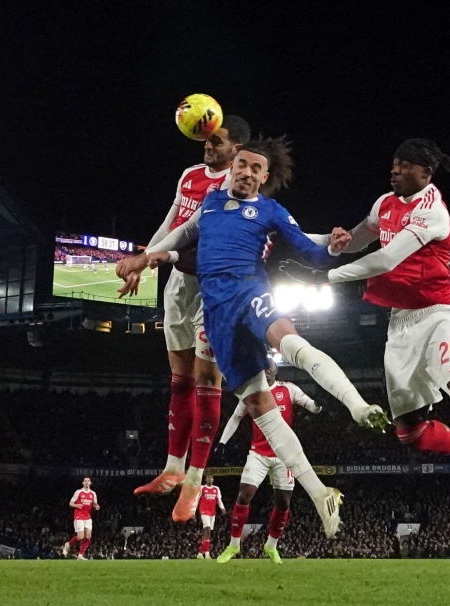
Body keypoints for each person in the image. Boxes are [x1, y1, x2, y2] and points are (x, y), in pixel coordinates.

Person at [282, 138, 450, 544]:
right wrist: (310, 244)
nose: (394, 171)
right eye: (393, 165)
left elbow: (384, 260)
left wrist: (323, 277)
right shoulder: (385, 204)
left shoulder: (432, 210)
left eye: (403, 166)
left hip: (439, 315)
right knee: (409, 434)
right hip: (401, 324)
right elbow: (360, 240)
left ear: (425, 173)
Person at [136, 136, 387, 537]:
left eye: (256, 169)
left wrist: (336, 249)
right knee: (263, 413)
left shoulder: (269, 210)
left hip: (250, 294)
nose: (248, 173)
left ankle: (358, 406)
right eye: (243, 165)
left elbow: (310, 250)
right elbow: (180, 241)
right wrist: (149, 258)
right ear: (232, 167)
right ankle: (320, 492)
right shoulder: (211, 204)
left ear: (265, 177)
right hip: (217, 320)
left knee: (292, 344)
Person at [116, 117, 252, 520]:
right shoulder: (191, 175)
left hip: (216, 290)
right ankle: (173, 469)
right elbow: (173, 220)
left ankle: (195, 479)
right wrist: (146, 260)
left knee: (208, 380)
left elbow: (206, 240)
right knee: (180, 379)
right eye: (206, 141)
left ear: (237, 149)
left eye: (216, 142)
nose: (206, 147)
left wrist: (157, 256)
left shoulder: (239, 185)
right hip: (179, 284)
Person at [216, 360, 321, 564]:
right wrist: (222, 442)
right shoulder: (251, 392)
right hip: (258, 453)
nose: (266, 370)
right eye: (263, 367)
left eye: (269, 367)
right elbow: (236, 417)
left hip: (284, 456)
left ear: (275, 370)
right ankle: (233, 545)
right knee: (244, 495)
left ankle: (271, 546)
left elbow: (310, 405)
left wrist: (317, 405)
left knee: (283, 503)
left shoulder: (288, 389)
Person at [62, 477, 99, 560]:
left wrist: (96, 507)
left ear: (90, 483)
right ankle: (68, 544)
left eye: (88, 481)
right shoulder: (78, 492)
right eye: (85, 481)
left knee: (88, 537)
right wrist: (77, 505)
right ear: (83, 483)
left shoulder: (93, 493)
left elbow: (94, 504)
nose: (86, 482)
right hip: (79, 516)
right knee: (80, 537)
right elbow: (71, 503)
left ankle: (80, 555)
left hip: (88, 517)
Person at [196, 474, 225, 559]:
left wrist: (222, 508)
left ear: (213, 480)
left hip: (212, 512)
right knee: (207, 529)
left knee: (208, 532)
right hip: (204, 512)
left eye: (211, 478)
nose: (210, 479)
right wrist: (193, 511)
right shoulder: (202, 488)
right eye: (208, 477)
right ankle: (207, 553)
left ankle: (201, 553)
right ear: (205, 479)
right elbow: (197, 499)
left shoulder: (216, 489)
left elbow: (219, 500)